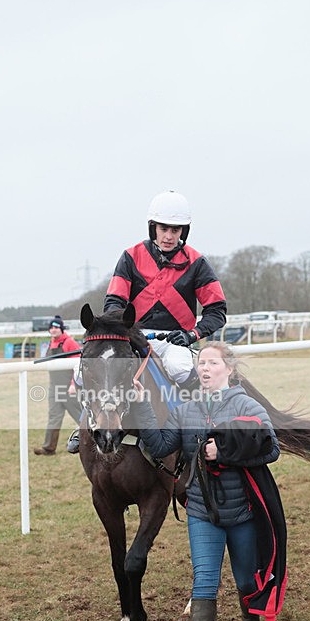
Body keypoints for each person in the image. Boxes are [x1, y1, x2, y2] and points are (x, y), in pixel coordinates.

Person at [132, 342, 286, 621]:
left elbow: (271, 449)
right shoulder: (185, 410)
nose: (204, 368)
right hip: (202, 510)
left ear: (228, 369)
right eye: (200, 362)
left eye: (211, 362)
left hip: (243, 512)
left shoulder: (247, 405)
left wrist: (226, 452)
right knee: (204, 580)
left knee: (246, 579)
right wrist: (141, 407)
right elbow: (158, 446)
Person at [67, 190, 227, 454]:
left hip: (174, 339)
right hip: (133, 337)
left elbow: (217, 310)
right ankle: (85, 426)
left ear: (183, 232)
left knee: (179, 367)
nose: (169, 236)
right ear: (153, 228)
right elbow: (114, 303)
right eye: (164, 229)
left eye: (176, 230)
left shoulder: (197, 263)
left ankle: (201, 427)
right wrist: (121, 332)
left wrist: (191, 335)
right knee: (82, 371)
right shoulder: (131, 256)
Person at [34, 316, 82, 456]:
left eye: (56, 327)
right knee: (54, 417)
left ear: (61, 329)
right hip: (54, 388)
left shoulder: (69, 342)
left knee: (81, 417)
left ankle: (95, 442)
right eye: (51, 327)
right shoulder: (51, 343)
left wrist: (73, 385)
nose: (53, 330)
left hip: (69, 389)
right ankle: (49, 448)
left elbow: (77, 366)